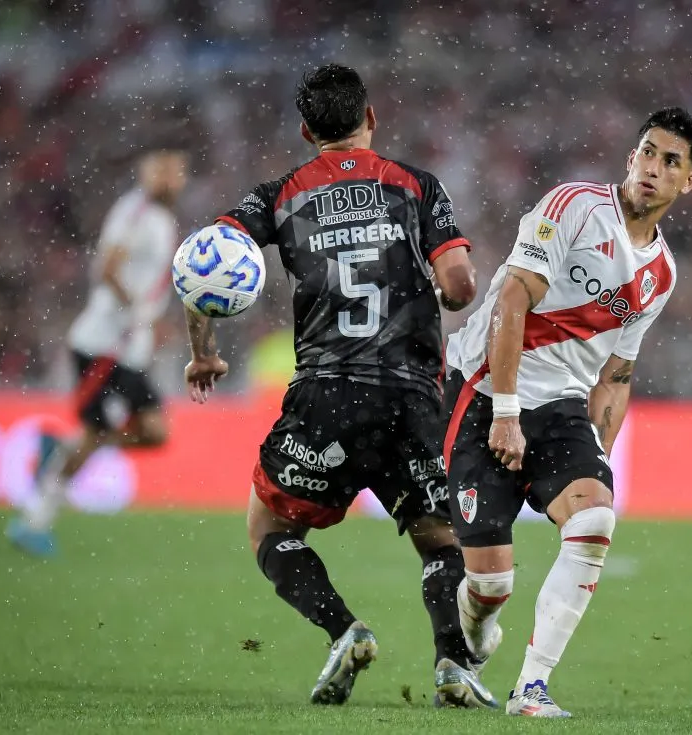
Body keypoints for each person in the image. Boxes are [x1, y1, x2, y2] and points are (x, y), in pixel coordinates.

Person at [182, 64, 497, 709]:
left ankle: (343, 628)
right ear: (371, 118)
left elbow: (203, 261)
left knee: (267, 526)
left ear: (305, 130)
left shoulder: (280, 195)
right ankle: (451, 665)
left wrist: (203, 352)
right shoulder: (415, 186)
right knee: (436, 534)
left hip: (329, 395)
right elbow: (462, 287)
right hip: (412, 397)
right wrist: (430, 284)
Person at [442, 107, 692, 717]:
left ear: (687, 183)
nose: (652, 168)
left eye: (671, 161)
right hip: (483, 391)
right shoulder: (574, 207)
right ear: (630, 156)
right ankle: (479, 628)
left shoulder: (661, 275)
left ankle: (530, 689)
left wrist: (597, 464)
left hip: (561, 406)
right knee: (490, 586)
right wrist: (506, 411)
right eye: (647, 152)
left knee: (594, 524)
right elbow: (512, 298)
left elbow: (616, 375)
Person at [7, 149, 188, 556]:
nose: (171, 178)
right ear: (145, 172)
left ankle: (61, 449)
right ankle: (33, 522)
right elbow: (107, 269)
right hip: (103, 345)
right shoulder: (136, 213)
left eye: (177, 171)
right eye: (163, 169)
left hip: (129, 351)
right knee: (97, 433)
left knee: (155, 433)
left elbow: (140, 278)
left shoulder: (161, 219)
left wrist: (150, 318)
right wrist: (135, 310)